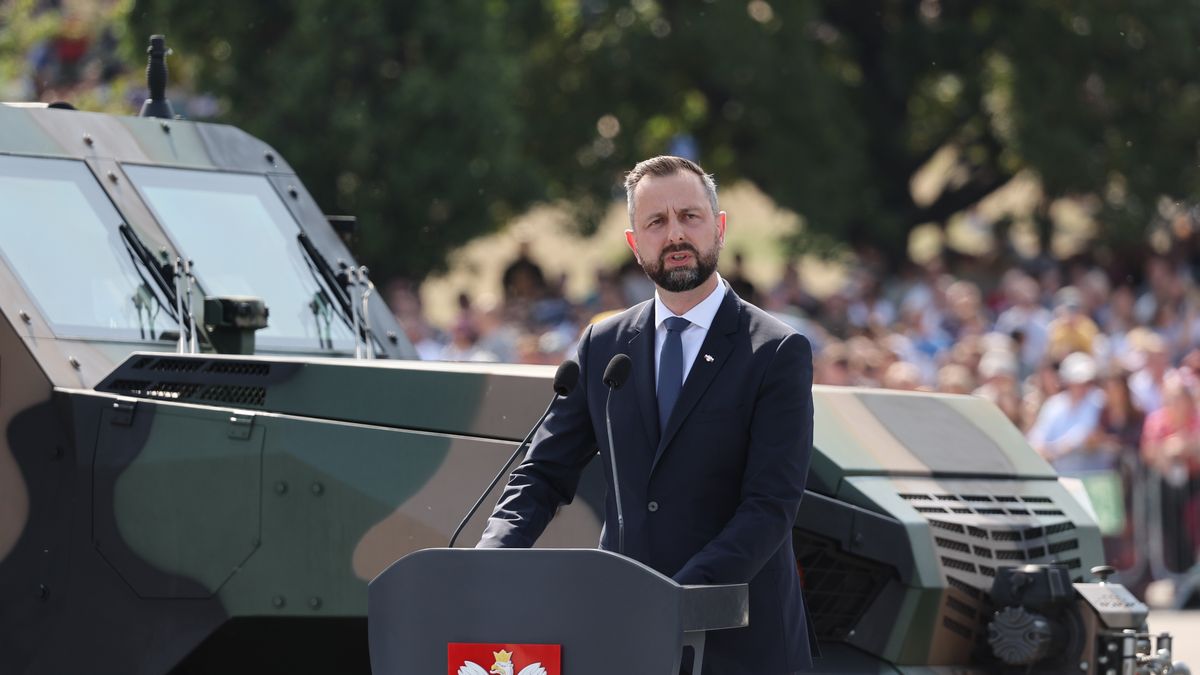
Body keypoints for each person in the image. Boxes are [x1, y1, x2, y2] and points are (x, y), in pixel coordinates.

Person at [478, 156, 817, 674]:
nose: (675, 233)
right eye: (656, 222)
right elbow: (544, 473)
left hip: (736, 643)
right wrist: (488, 559)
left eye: (690, 216)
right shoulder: (604, 345)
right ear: (635, 244)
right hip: (626, 639)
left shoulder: (774, 350)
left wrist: (673, 598)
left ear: (719, 228)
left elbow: (770, 506)